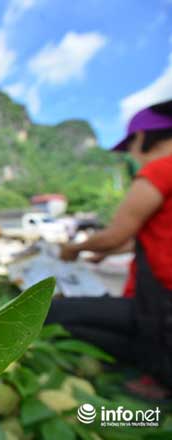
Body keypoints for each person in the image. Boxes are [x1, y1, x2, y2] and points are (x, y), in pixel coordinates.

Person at [47, 99, 172, 392]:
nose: (130, 156)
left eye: (130, 147)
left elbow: (117, 234)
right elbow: (140, 240)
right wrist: (99, 256)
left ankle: (156, 381)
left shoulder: (160, 171)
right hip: (155, 308)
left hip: (160, 309)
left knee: (51, 313)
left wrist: (75, 249)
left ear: (142, 138)